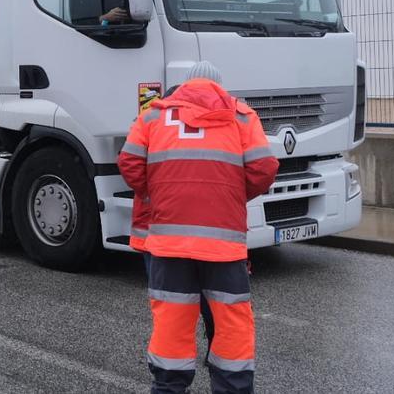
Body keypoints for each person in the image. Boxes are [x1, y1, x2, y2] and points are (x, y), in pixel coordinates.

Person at [118, 61, 278, 394]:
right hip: (223, 246)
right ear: (220, 86)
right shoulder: (242, 116)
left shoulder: (152, 115)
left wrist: (156, 191)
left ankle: (168, 387)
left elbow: (129, 163)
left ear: (185, 84)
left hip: (168, 244)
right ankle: (232, 387)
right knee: (230, 322)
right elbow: (264, 168)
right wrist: (230, 197)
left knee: (172, 323)